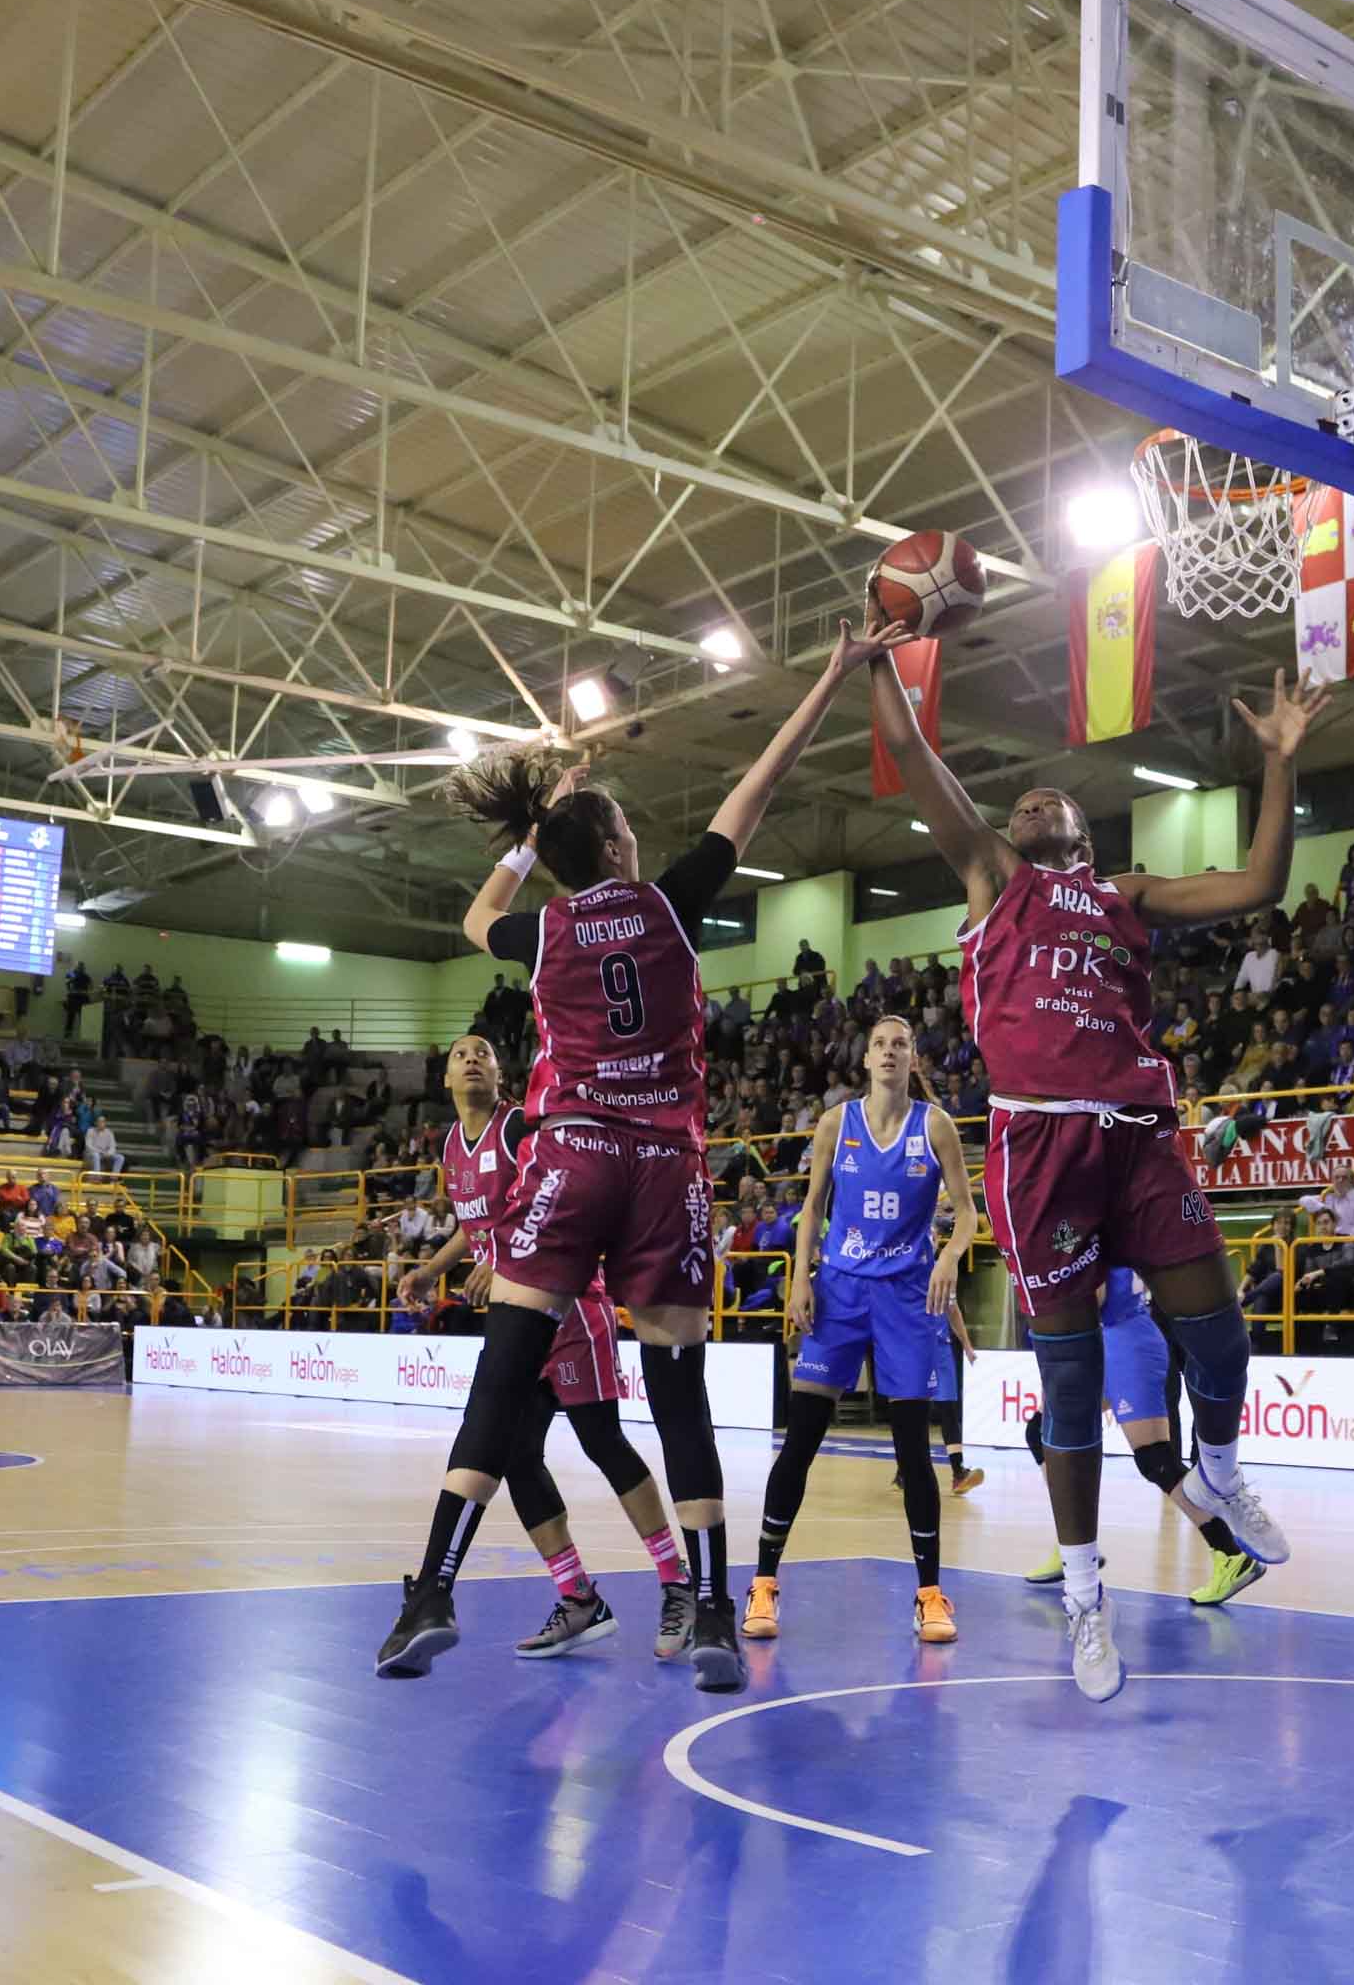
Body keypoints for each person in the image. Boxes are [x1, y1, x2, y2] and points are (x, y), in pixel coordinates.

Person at [374, 623, 872, 1692]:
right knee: (678, 1394)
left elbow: (476, 914)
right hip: (661, 1170)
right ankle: (709, 1621)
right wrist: (830, 673)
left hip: (568, 1157)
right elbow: (756, 787)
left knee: (502, 1382)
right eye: (629, 830)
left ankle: (431, 1590)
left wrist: (533, 827)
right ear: (614, 848)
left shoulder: (543, 930)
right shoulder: (668, 903)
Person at [871, 642, 1323, 1701]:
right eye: (1019, 801)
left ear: (1083, 829)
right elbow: (908, 746)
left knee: (1219, 1322)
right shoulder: (995, 880)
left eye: (1050, 798)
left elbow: (1262, 881)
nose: (1031, 803)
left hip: (1137, 1132)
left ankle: (1221, 1463)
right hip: (1040, 1146)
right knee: (1068, 1385)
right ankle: (1085, 1592)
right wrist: (877, 653)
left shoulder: (1126, 894)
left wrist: (1280, 762)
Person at [404, 1033, 694, 1662]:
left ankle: (678, 1583)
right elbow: (473, 1224)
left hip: (567, 1305)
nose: (473, 1059)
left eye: (484, 1051)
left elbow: (560, 1203)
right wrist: (433, 1269)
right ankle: (579, 1596)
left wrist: (503, 1257)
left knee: (601, 1440)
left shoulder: (520, 1130)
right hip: (514, 1318)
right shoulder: (453, 1147)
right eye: (461, 1054)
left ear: (502, 1073)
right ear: (445, 1079)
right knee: (512, 1453)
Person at [745, 1017, 981, 1647]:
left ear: (911, 1059)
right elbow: (813, 1207)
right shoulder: (834, 1123)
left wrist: (951, 1256)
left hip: (905, 1299)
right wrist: (800, 1279)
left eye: (900, 1044)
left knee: (913, 1453)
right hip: (840, 1293)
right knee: (801, 1440)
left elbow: (967, 1211)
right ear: (867, 1057)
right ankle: (764, 1580)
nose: (888, 1052)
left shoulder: (935, 1126)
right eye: (879, 1043)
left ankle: (930, 1594)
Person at [1016, 1268, 1265, 1606]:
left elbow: (1094, 1296)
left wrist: (1048, 1317)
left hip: (1123, 1344)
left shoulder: (1088, 1226)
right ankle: (1072, 1545)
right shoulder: (1098, 1224)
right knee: (1042, 1431)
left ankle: (1231, 1553)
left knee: (1156, 1459)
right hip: (1112, 1340)